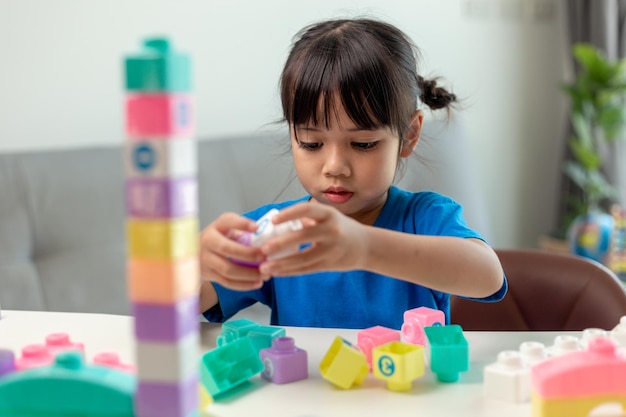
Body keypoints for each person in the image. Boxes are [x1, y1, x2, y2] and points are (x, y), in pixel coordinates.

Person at [199, 17, 507, 330]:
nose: (334, 166)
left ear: (409, 135)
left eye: (363, 144)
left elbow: (488, 278)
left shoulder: (424, 217)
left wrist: (365, 247)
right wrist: (194, 262)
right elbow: (185, 301)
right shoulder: (277, 233)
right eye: (312, 142)